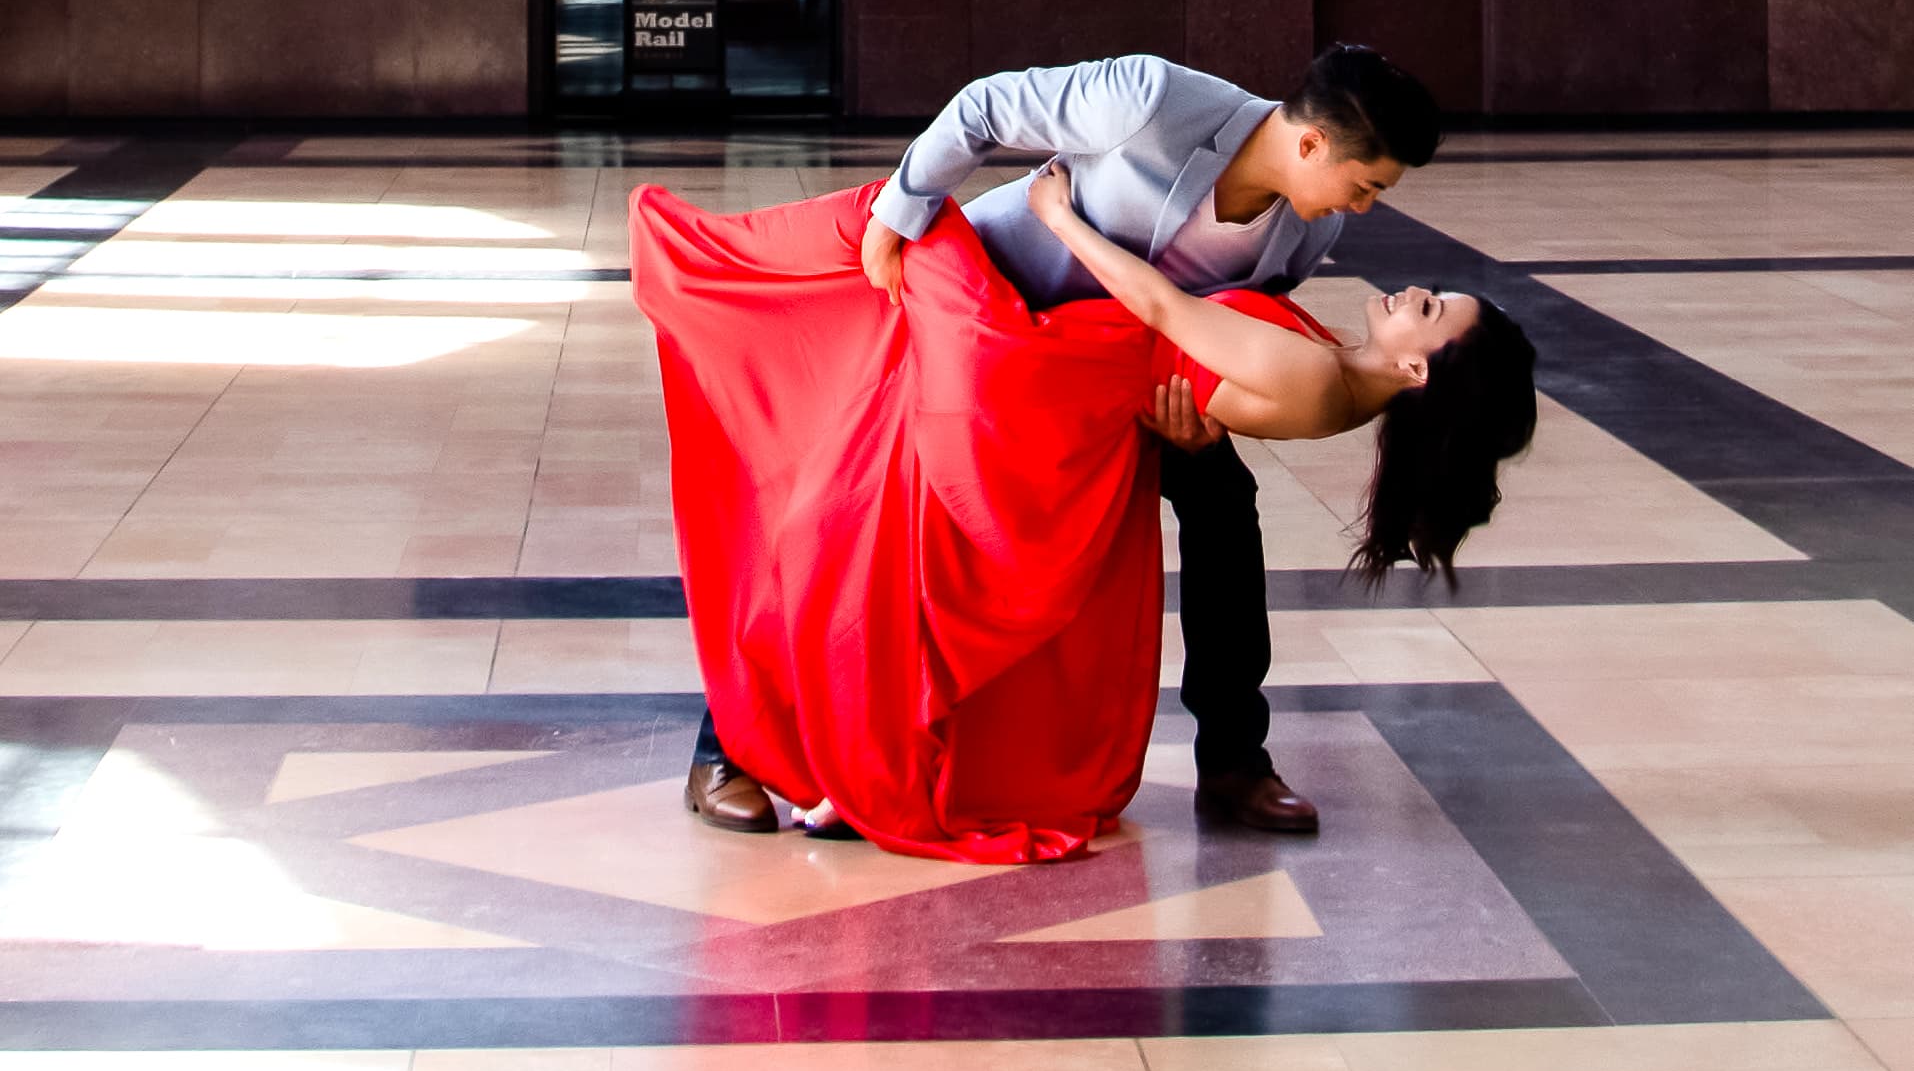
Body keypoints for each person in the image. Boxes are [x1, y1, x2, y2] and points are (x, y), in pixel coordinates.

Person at [632, 161, 1534, 864]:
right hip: (1080, 361)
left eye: (1429, 307)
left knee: (898, 256)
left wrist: (1055, 213)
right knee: (853, 460)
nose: (1369, 210)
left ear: (1421, 372)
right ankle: (751, 739)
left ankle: (1230, 758)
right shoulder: (1302, 266)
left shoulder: (1317, 326)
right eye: (1365, 180)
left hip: (1067, 372)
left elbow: (1165, 307)